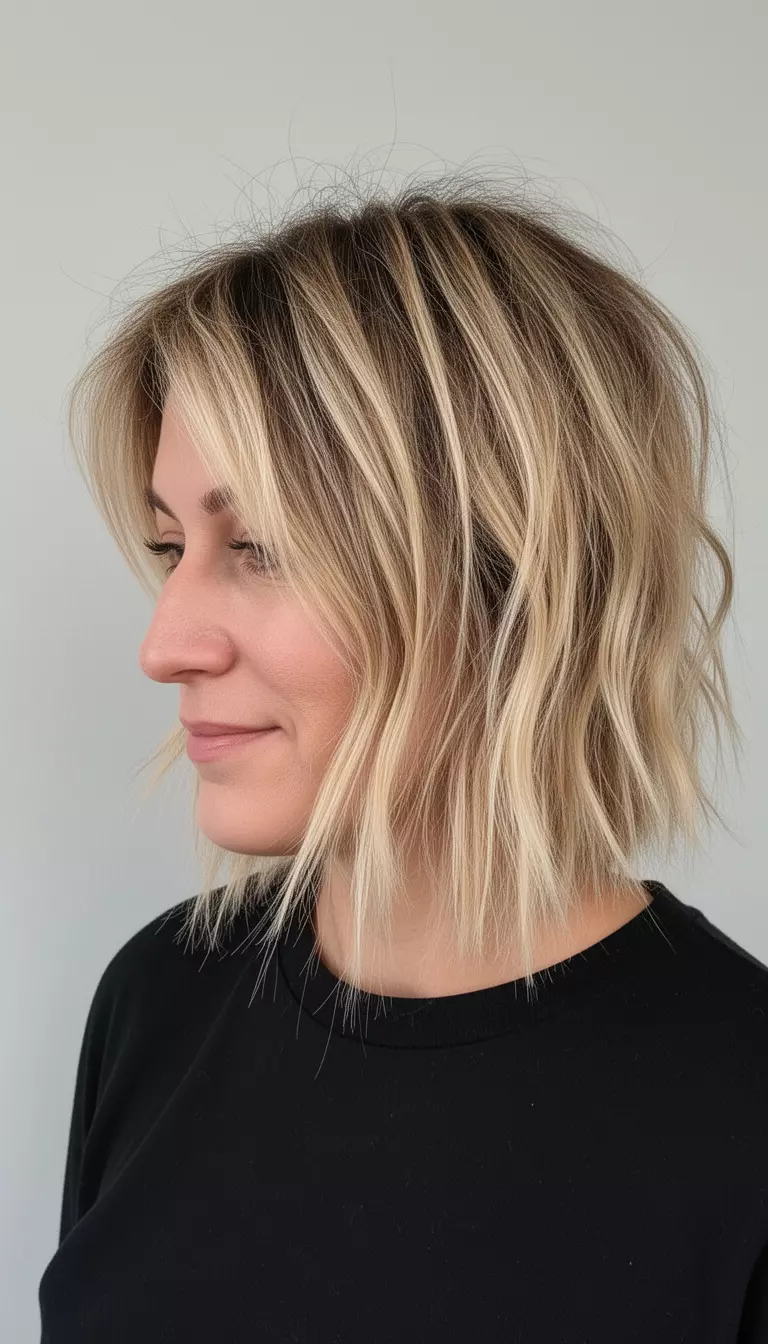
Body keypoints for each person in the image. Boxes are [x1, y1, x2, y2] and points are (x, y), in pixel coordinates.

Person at [38, 174, 768, 1342]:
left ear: (513, 578)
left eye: (263, 545)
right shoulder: (160, 1001)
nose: (163, 643)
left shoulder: (740, 1114)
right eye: (171, 545)